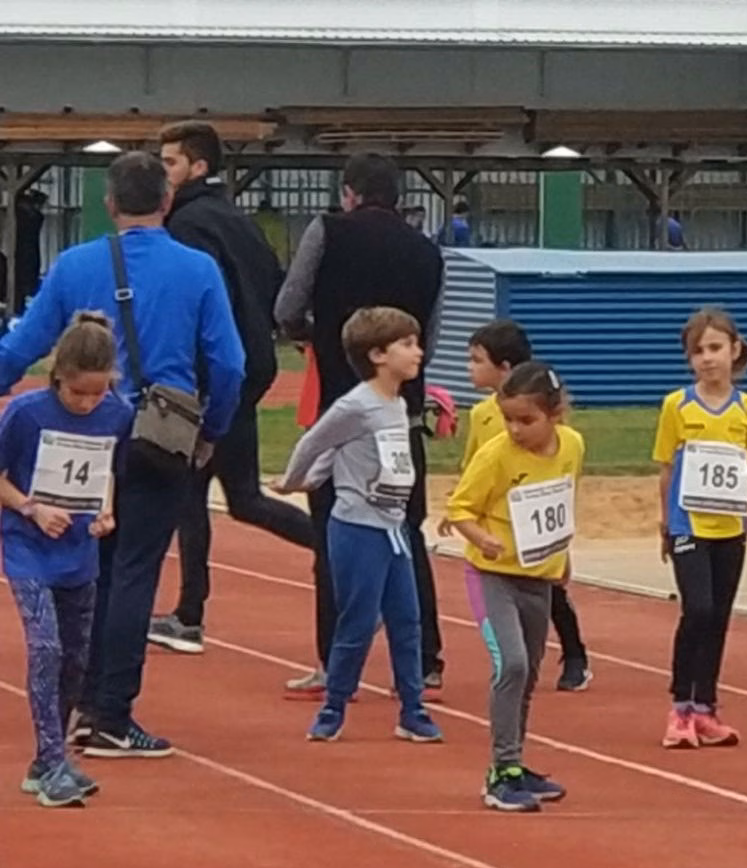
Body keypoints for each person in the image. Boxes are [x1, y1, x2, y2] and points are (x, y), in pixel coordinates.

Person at [0, 151, 245, 758]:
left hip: (83, 435)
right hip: (160, 438)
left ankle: (73, 697)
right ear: (167, 201)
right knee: (135, 570)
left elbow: (24, 345)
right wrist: (211, 429)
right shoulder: (198, 269)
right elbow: (230, 363)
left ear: (110, 204)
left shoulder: (75, 264)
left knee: (84, 567)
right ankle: (110, 712)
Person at [274, 153, 448, 700]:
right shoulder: (427, 250)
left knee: (335, 534)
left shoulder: (328, 231)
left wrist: (315, 334)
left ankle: (335, 664)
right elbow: (430, 335)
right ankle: (425, 659)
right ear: (400, 198)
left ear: (348, 193)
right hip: (402, 412)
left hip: (343, 406)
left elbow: (287, 305)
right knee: (405, 530)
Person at [148, 120, 314, 656]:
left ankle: (190, 615)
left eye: (170, 163)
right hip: (251, 365)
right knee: (232, 497)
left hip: (215, 373)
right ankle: (189, 612)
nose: (162, 173)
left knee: (201, 493)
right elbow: (276, 286)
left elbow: (198, 302)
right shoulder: (240, 221)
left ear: (198, 167)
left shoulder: (186, 225)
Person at [271, 306, 443, 745]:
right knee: (358, 622)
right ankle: (333, 708)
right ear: (377, 355)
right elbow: (316, 441)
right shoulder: (355, 405)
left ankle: (413, 710)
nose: (419, 352)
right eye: (408, 344)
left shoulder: (397, 404)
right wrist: (294, 481)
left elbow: (344, 453)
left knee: (407, 620)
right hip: (357, 529)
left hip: (393, 528)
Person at [1, 314, 133, 805]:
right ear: (58, 377)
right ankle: (55, 761)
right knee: (46, 648)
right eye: (77, 393)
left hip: (80, 550)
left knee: (76, 658)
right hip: (27, 547)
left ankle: (45, 763)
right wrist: (31, 508)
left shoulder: (117, 414)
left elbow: (106, 471)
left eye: (96, 394)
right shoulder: (25, 414)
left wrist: (106, 511)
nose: (86, 403)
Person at [445, 360, 583, 811]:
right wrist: (482, 538)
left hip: (539, 579)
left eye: (526, 420)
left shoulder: (572, 446)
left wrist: (563, 554)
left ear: (554, 414)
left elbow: (563, 499)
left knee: (529, 673)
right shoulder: (496, 456)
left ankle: (516, 763)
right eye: (508, 419)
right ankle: (500, 772)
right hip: (493, 577)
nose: (515, 430)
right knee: (513, 664)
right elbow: (459, 509)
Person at [448, 318, 594, 692]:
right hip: (499, 522)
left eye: (477, 360)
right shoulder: (482, 415)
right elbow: (473, 463)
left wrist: (563, 545)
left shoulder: (566, 439)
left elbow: (562, 489)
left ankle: (574, 653)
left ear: (505, 367)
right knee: (511, 637)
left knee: (552, 592)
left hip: (537, 524)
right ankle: (515, 674)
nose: (469, 368)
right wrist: (465, 513)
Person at [655, 307, 747, 750]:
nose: (707, 358)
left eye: (715, 348)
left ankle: (706, 708)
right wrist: (666, 523)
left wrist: (746, 522)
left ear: (734, 350)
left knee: (719, 616)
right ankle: (680, 706)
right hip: (689, 525)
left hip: (730, 528)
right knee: (697, 609)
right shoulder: (676, 405)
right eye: (698, 351)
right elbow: (666, 468)